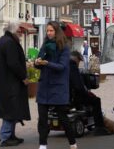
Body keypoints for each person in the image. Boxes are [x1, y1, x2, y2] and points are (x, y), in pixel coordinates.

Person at [35, 21, 77, 149]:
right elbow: (39, 61)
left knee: (62, 117)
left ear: (57, 32)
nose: (48, 33)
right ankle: (42, 144)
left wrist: (47, 63)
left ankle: (72, 143)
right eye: (47, 31)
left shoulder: (64, 47)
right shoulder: (45, 45)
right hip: (44, 86)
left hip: (58, 86)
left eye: (51, 31)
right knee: (42, 118)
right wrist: (37, 62)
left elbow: (62, 66)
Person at [0, 22, 31, 147]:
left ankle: (11, 135)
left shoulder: (3, 41)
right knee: (10, 111)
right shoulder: (10, 43)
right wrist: (23, 77)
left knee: (12, 110)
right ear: (13, 31)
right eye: (19, 31)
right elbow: (13, 63)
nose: (20, 33)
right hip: (10, 84)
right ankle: (4, 138)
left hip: (4, 83)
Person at [69, 51, 111, 136]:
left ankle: (86, 116)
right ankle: (99, 127)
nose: (78, 63)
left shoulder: (63, 65)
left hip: (62, 96)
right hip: (72, 97)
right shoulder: (72, 67)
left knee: (85, 98)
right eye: (79, 61)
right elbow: (78, 86)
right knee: (96, 100)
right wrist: (86, 92)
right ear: (75, 59)